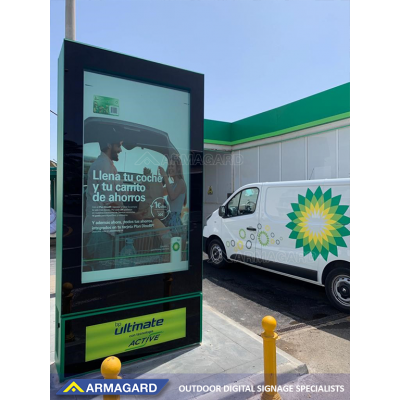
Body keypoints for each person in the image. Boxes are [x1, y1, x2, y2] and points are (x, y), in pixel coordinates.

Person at [83, 140, 125, 270]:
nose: (120, 150)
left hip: (100, 230)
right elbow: (110, 202)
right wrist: (133, 214)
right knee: (102, 273)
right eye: (119, 146)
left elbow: (119, 191)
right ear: (109, 144)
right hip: (100, 232)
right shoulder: (103, 166)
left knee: (98, 272)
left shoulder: (108, 166)